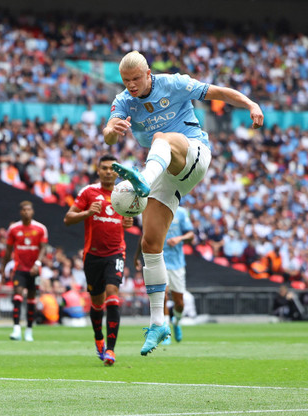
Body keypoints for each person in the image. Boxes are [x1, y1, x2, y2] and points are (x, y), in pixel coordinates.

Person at [102, 50, 264, 355]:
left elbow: (217, 92)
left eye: (136, 79)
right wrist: (112, 131)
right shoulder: (124, 100)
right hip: (167, 173)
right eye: (126, 81)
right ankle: (158, 323)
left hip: (194, 152)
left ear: (148, 73)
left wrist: (251, 104)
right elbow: (109, 133)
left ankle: (142, 181)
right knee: (151, 244)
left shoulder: (174, 83)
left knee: (161, 136)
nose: (132, 85)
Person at [63, 154, 134, 366]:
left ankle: (111, 350)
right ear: (98, 170)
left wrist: (129, 222)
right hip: (92, 255)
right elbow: (67, 219)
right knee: (96, 303)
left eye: (112, 168)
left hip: (116, 252)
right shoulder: (89, 192)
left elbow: (131, 215)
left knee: (113, 295)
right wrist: (86, 212)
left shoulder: (124, 193)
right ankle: (99, 338)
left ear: (117, 171)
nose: (108, 172)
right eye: (104, 168)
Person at [135, 206, 194, 345]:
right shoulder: (152, 209)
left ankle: (176, 322)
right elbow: (144, 235)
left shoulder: (180, 212)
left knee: (179, 303)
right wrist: (136, 256)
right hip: (158, 260)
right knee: (163, 294)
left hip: (177, 264)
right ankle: (165, 330)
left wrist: (180, 238)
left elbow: (191, 235)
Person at [0, 201, 48, 342]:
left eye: (29, 210)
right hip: (19, 269)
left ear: (32, 212)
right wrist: (3, 269)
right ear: (21, 212)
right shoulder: (14, 229)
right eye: (24, 210)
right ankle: (16, 330)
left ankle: (29, 330)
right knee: (17, 295)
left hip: (35, 270)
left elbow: (43, 248)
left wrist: (37, 263)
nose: (27, 212)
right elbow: (8, 251)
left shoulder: (40, 228)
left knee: (32, 299)